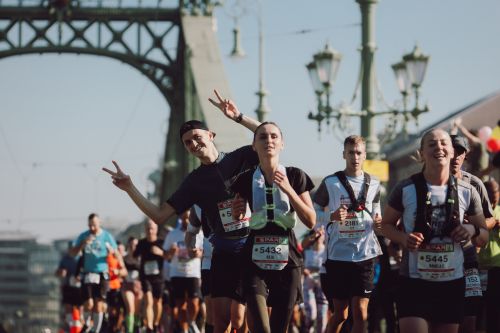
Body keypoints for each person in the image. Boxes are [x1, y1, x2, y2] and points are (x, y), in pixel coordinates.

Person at [103, 90, 261, 333]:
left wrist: (238, 117)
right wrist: (129, 188)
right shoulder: (194, 181)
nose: (194, 144)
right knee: (220, 324)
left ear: (211, 135)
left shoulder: (240, 158)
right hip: (223, 253)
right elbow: (159, 215)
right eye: (188, 142)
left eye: (197, 137)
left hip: (250, 247)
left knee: (241, 321)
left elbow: (269, 135)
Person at [381, 129, 488, 333]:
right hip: (414, 282)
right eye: (431, 144)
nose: (438, 147)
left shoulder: (468, 191)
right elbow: (385, 226)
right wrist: (404, 238)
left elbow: (483, 236)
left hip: (451, 284)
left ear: (451, 152)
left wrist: (471, 229)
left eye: (443, 143)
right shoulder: (405, 188)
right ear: (422, 153)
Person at [230, 121, 316, 333]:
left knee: (279, 328)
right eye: (263, 137)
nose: (269, 140)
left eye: (274, 136)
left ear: (282, 144)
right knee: (261, 327)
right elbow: (236, 216)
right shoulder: (244, 179)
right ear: (254, 145)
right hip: (254, 258)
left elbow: (311, 220)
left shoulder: (296, 176)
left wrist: (288, 190)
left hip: (288, 258)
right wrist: (237, 211)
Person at [313, 135, 383, 333]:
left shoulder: (375, 184)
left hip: (365, 255)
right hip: (338, 256)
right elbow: (312, 214)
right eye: (351, 152)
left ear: (365, 155)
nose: (355, 157)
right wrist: (331, 216)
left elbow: (378, 214)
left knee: (361, 313)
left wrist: (380, 224)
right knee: (341, 314)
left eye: (359, 152)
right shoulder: (331, 183)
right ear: (344, 154)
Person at [449, 134, 494, 333]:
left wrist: (474, 227)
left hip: (468, 258)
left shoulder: (474, 183)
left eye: (460, 152)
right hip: (440, 258)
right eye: (453, 151)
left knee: (469, 320)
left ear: (466, 155)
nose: (456, 156)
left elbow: (490, 219)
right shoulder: (428, 183)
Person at [71, 213, 118, 333]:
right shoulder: (84, 235)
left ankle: (96, 330)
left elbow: (117, 254)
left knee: (99, 305)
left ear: (99, 223)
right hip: (88, 274)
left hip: (102, 274)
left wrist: (111, 251)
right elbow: (72, 252)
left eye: (94, 226)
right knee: (88, 304)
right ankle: (86, 325)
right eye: (90, 225)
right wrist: (82, 244)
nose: (92, 228)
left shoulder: (107, 236)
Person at [163, 209, 204, 333]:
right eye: (185, 218)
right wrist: (170, 252)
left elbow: (203, 251)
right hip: (177, 273)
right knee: (180, 305)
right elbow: (165, 256)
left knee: (194, 303)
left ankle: (191, 322)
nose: (186, 221)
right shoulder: (172, 235)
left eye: (189, 218)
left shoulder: (199, 233)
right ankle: (184, 329)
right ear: (181, 218)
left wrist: (198, 253)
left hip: (193, 273)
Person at [133, 220, 166, 333]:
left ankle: (156, 323)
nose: (150, 231)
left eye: (152, 228)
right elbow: (134, 256)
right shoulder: (141, 243)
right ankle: (150, 327)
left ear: (156, 229)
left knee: (158, 302)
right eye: (147, 228)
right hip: (145, 276)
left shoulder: (162, 242)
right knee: (149, 301)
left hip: (158, 277)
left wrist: (160, 253)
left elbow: (169, 257)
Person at [478, 178, 500, 333]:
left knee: (494, 309)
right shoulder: (476, 212)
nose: (493, 195)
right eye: (490, 192)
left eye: (496, 191)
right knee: (476, 310)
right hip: (477, 268)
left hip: (496, 267)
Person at [301, 226, 329, 333]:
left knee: (322, 316)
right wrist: (304, 270)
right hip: (309, 285)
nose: (320, 237)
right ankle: (307, 329)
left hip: (322, 285)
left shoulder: (327, 250)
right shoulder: (307, 250)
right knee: (311, 314)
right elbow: (300, 263)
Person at [56, 241, 84, 333]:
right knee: (68, 306)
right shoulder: (65, 259)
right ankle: (71, 325)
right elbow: (57, 272)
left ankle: (80, 324)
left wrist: (81, 277)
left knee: (80, 307)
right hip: (68, 285)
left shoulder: (83, 257)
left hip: (80, 286)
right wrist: (61, 272)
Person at [122, 237, 144, 333]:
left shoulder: (141, 258)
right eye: (131, 245)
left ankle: (137, 328)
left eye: (135, 245)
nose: (132, 247)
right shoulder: (124, 258)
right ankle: (129, 330)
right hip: (127, 286)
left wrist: (139, 282)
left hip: (139, 287)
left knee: (137, 311)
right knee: (130, 308)